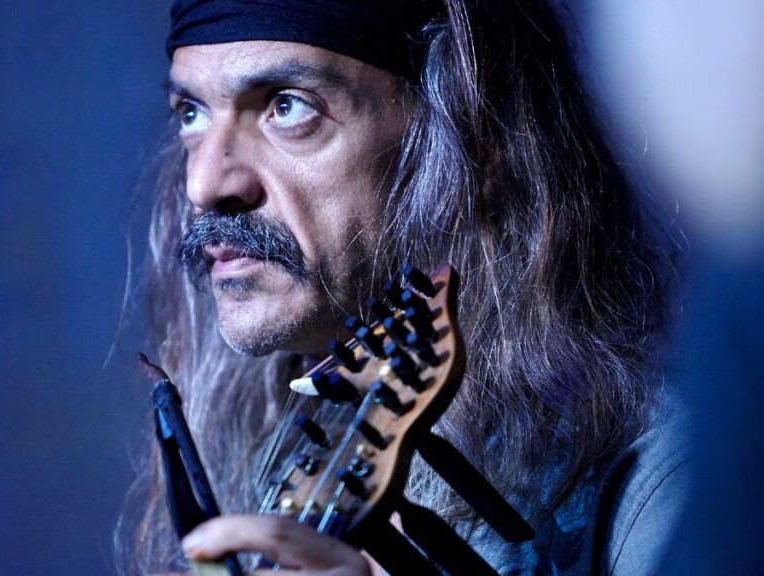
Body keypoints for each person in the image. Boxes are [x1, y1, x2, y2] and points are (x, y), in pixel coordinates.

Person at [116, 1, 683, 574]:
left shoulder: (667, 483)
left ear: (475, 144)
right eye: (191, 113)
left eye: (288, 106)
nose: (205, 183)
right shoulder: (267, 460)